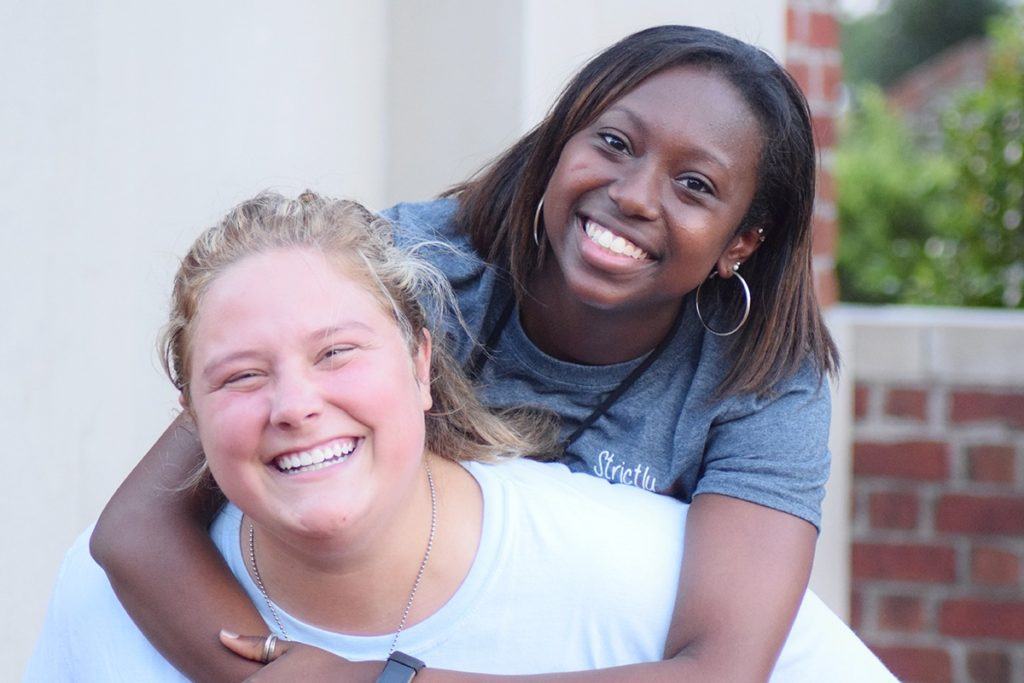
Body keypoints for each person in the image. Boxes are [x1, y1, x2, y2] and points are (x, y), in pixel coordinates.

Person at [89, 25, 865, 681]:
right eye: (614, 143)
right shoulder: (410, 267)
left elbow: (720, 669)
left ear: (741, 242)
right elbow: (137, 524)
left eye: (693, 185)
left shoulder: (764, 380)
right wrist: (290, 669)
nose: (633, 193)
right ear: (560, 145)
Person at [29, 192, 890, 681]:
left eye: (337, 352)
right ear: (190, 409)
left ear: (419, 361)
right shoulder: (106, 600)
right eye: (240, 376)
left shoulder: (641, 573)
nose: (294, 403)